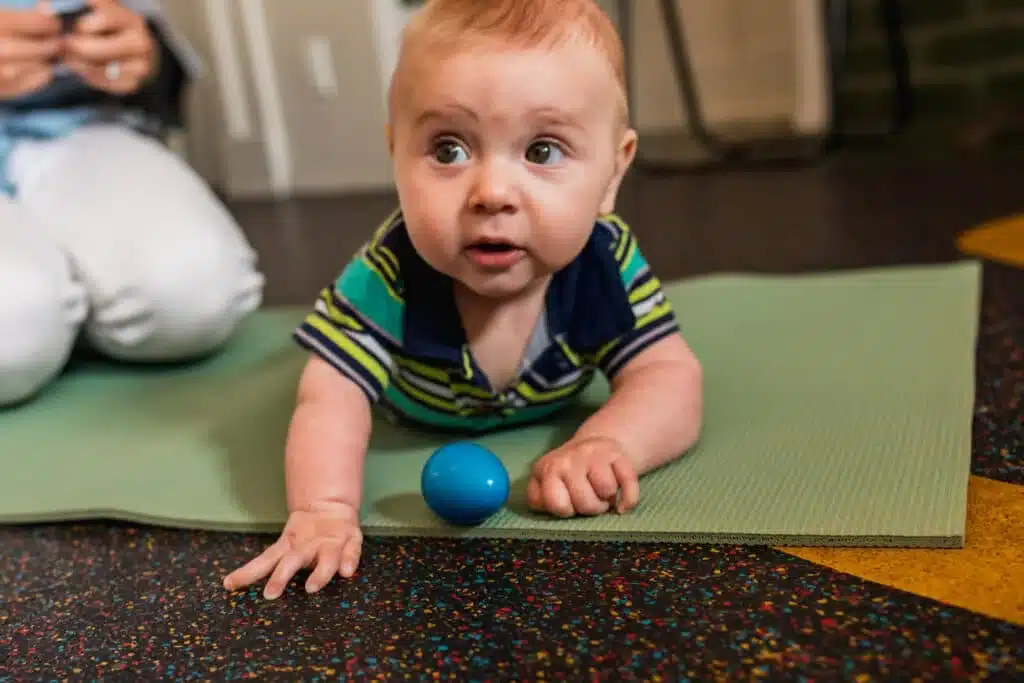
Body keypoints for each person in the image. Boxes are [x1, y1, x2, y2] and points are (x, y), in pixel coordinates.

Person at [223, 0, 703, 600]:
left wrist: (609, 443)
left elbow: (669, 376)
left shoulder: (607, 262)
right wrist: (324, 507)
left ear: (612, 173)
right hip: (413, 412)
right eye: (449, 149)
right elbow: (331, 397)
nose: (493, 193)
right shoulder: (389, 273)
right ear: (397, 156)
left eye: (543, 151)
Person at [0, 0, 264, 408]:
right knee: (12, 330)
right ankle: (53, 303)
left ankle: (62, 303)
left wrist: (140, 57)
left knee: (192, 295)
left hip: (81, 126)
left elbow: (160, 61)